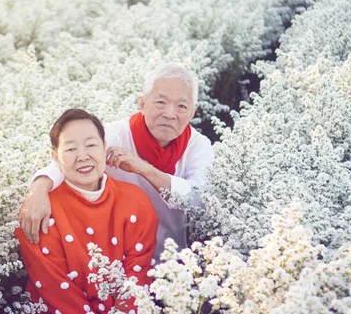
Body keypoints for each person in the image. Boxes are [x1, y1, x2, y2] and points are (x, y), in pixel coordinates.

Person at [19, 63, 214, 260]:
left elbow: (200, 201)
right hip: (111, 256)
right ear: (142, 104)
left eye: (181, 106)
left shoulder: (198, 146)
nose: (170, 114)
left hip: (172, 258)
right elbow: (70, 158)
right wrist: (38, 189)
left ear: (192, 113)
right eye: (160, 102)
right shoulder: (115, 134)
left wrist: (145, 169)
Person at [15, 109, 158, 314]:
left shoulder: (136, 202)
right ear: (55, 157)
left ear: (104, 148)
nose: (82, 156)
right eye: (71, 149)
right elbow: (56, 290)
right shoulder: (39, 211)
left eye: (91, 145)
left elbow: (137, 278)